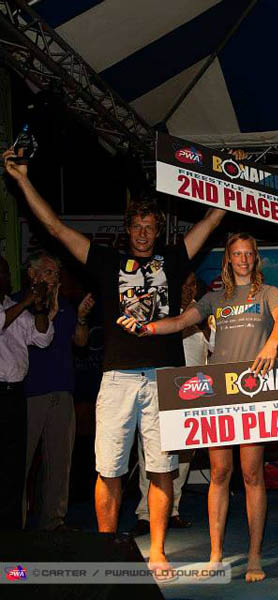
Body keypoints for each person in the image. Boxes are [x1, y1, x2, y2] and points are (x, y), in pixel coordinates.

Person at [3, 147, 225, 577]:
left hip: (163, 377)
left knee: (162, 469)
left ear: (157, 230)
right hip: (118, 377)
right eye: (137, 227)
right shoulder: (106, 261)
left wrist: (232, 177)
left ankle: (157, 551)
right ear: (127, 230)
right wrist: (23, 180)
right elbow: (54, 227)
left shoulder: (173, 259)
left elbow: (212, 220)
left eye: (150, 227)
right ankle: (108, 552)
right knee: (109, 469)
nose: (143, 234)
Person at [119, 233, 278, 582]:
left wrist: (272, 342)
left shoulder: (268, 292)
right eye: (236, 254)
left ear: (255, 258)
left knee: (252, 475)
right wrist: (147, 328)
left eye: (248, 254)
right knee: (220, 474)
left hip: (253, 391)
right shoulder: (214, 298)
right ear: (228, 260)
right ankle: (215, 554)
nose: (243, 259)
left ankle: (254, 556)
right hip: (218, 395)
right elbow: (180, 322)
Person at [18, 251, 93, 531]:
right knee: (21, 463)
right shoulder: (17, 303)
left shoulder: (64, 305)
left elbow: (81, 342)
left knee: (60, 461)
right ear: (32, 274)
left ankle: (53, 521)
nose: (54, 279)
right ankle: (15, 523)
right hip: (29, 393)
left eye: (56, 274)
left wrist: (81, 318)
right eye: (49, 272)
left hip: (62, 391)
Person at [132, 273, 208, 537]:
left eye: (192, 285)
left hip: (194, 394)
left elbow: (213, 349)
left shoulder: (204, 313)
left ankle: (172, 509)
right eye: (183, 284)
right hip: (160, 391)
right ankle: (146, 514)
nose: (187, 289)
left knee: (184, 456)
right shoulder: (160, 310)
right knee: (151, 454)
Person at [0, 255, 55, 530]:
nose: (4, 277)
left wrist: (41, 308)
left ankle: (11, 531)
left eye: (6, 272)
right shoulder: (14, 308)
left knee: (13, 465)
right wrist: (26, 301)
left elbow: (42, 338)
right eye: (0, 272)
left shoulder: (13, 306)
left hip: (15, 395)